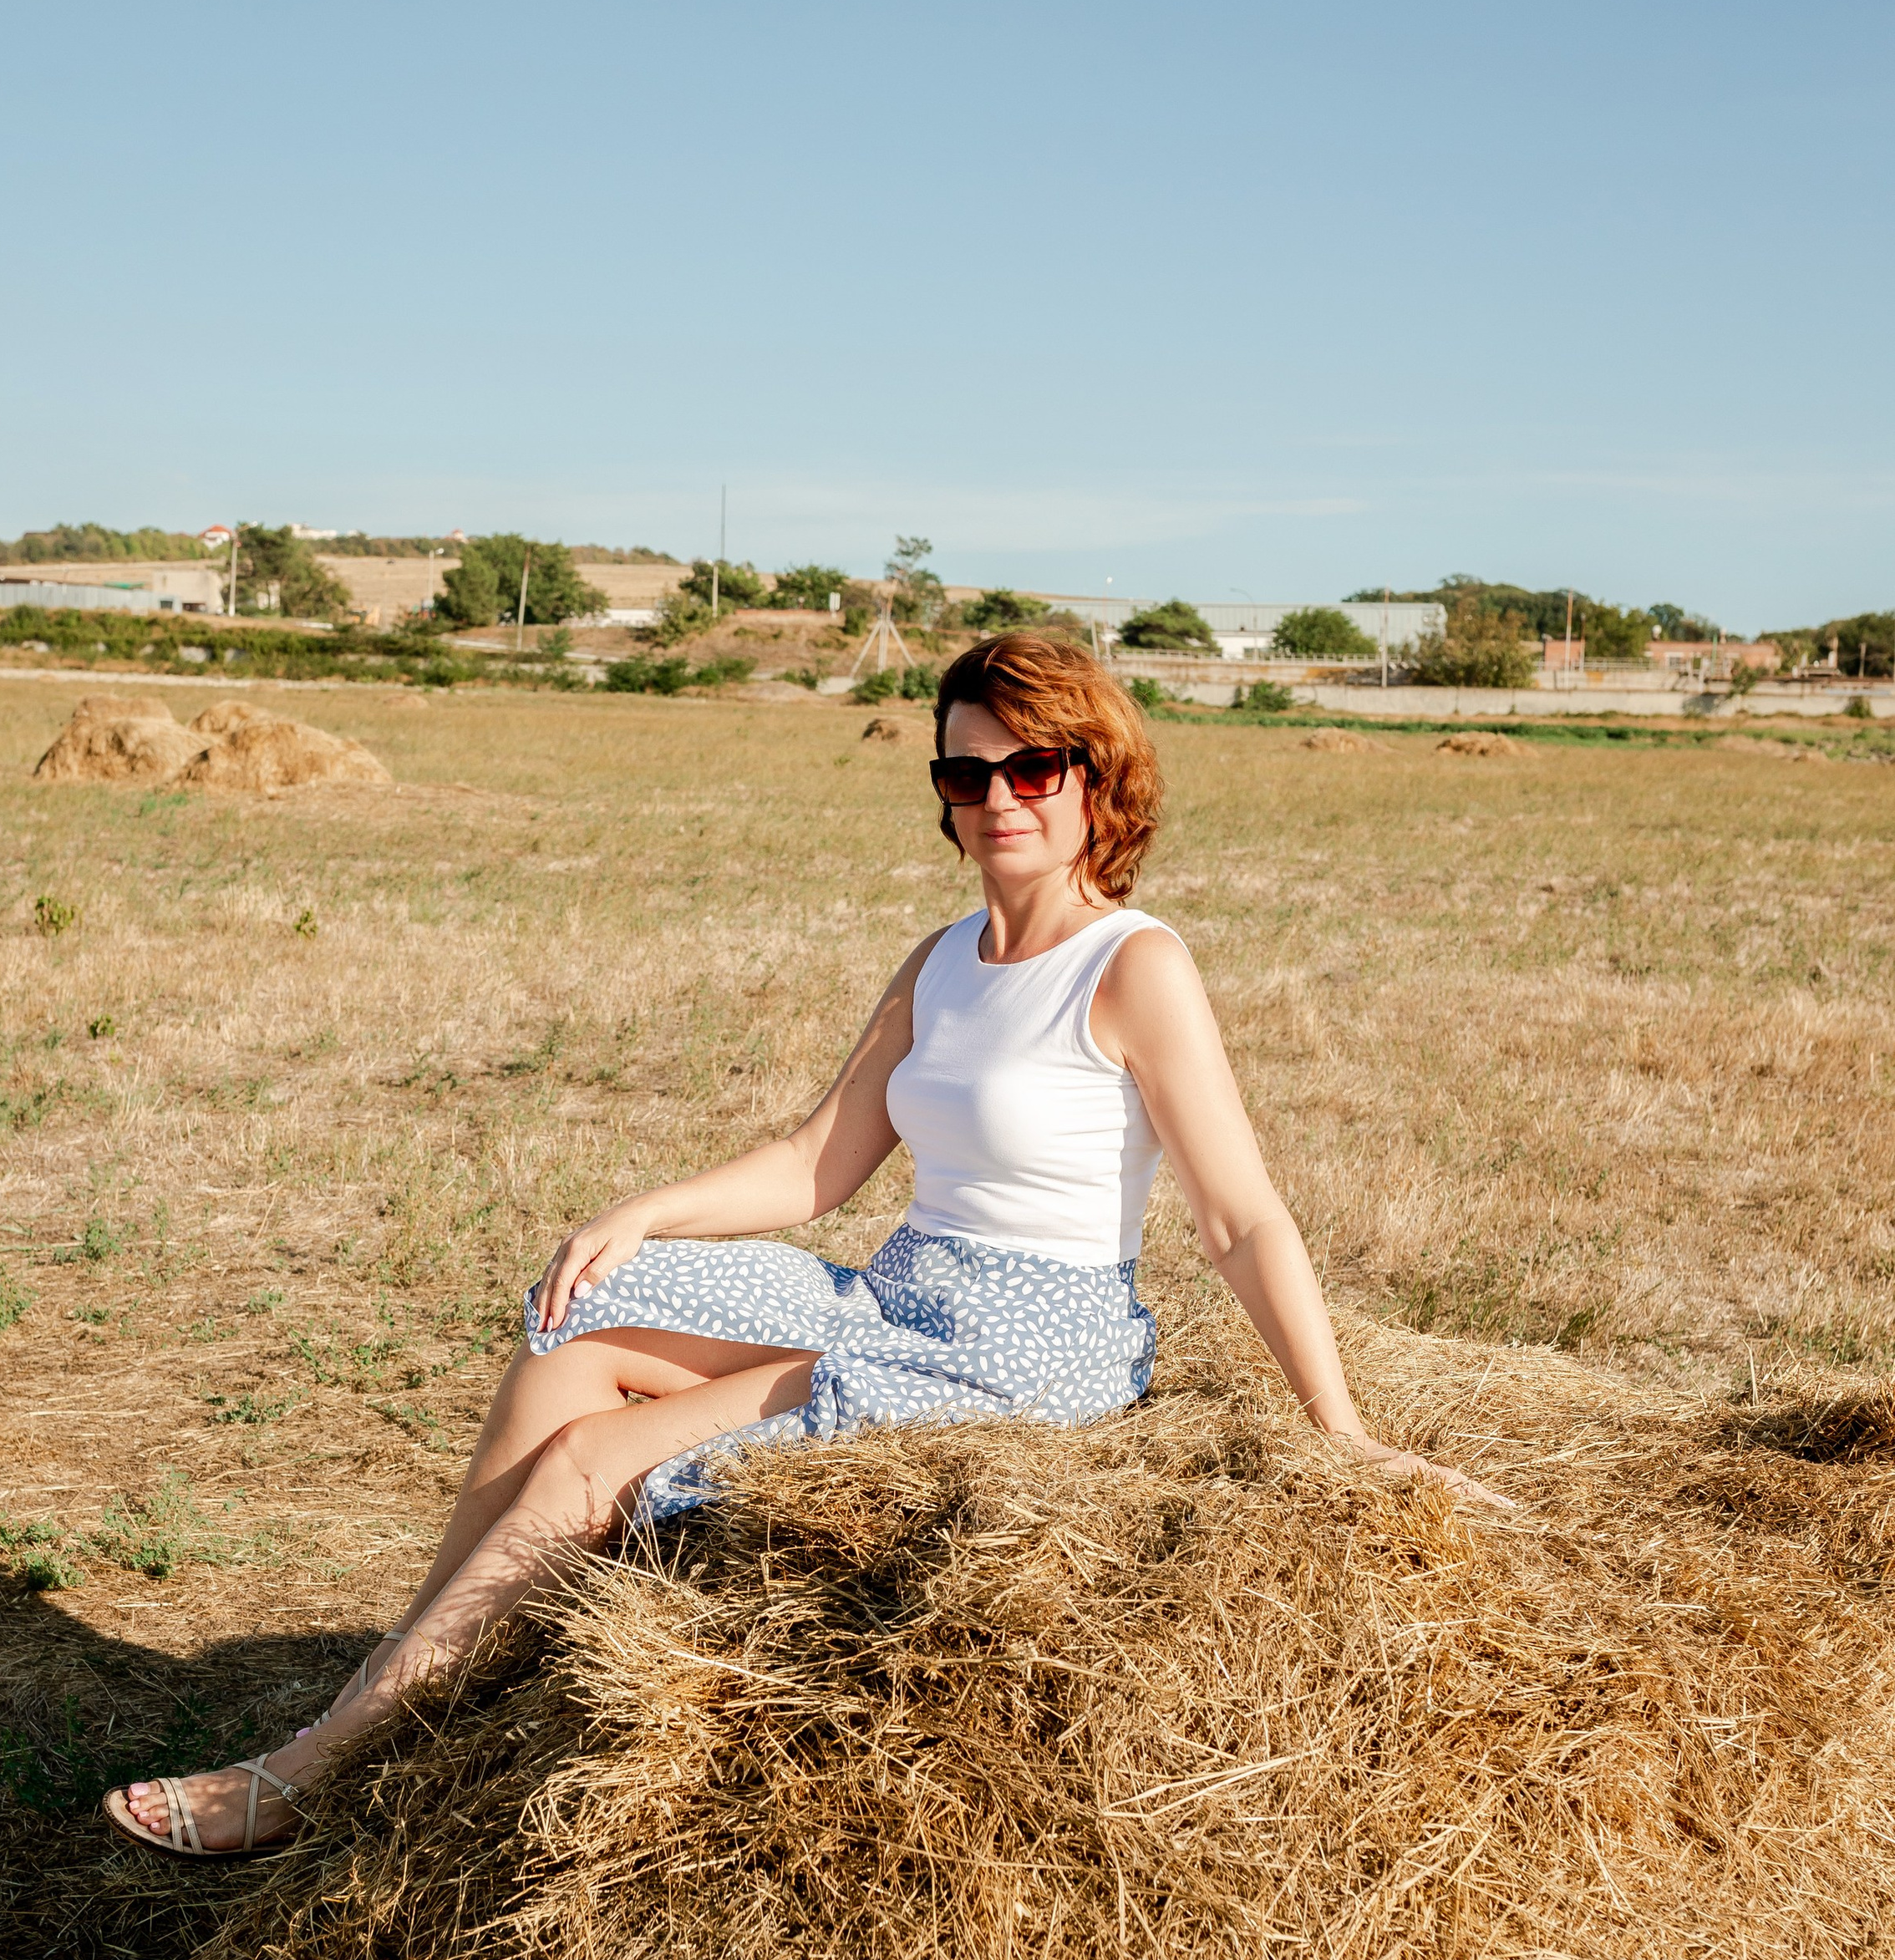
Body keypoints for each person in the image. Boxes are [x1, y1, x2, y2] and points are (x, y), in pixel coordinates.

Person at [107, 630, 1493, 1856]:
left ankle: (304, 1777)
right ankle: (407, 1685)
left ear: (1098, 786)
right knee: (578, 1323)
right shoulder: (944, 960)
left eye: (1036, 769)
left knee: (593, 1458)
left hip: (1028, 1345)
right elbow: (817, 1162)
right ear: (942, 795)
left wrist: (1344, 1430)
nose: (1001, 798)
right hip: (901, 1290)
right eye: (968, 774)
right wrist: (638, 1211)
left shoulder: (1134, 965)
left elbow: (1239, 1214)